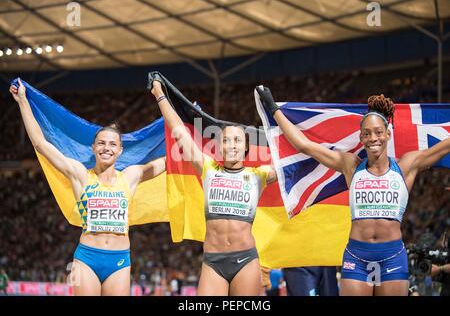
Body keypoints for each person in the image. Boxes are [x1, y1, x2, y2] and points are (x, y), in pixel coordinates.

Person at [256, 86, 450, 296]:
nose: (373, 138)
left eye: (378, 132)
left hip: (392, 256)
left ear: (388, 133)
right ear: (361, 138)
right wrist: (273, 108)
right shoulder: (350, 166)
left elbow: (444, 146)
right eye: (367, 134)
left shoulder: (406, 166)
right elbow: (305, 145)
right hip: (357, 257)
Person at [10, 79, 166, 296]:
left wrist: (188, 126)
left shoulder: (130, 176)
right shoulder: (80, 175)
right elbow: (40, 143)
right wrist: (23, 102)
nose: (106, 148)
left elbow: (167, 162)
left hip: (119, 261)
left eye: (113, 144)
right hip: (86, 258)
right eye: (101, 143)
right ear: (93, 148)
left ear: (120, 150)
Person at [150, 77, 277, 295]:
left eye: (237, 141)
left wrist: (274, 110)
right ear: (219, 146)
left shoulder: (258, 175)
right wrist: (159, 94)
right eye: (226, 140)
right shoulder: (207, 169)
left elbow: (293, 159)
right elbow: (179, 132)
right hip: (212, 262)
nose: (232, 145)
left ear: (246, 147)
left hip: (246, 259)